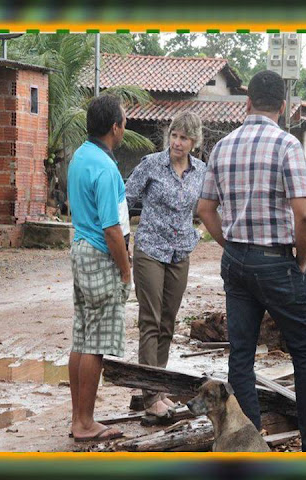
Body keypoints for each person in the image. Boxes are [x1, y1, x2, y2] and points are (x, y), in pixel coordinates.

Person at [198, 70, 306, 452]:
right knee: (304, 351)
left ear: (247, 102)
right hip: (278, 262)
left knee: (242, 358)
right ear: (282, 108)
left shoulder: (223, 147)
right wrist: (300, 262)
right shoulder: (287, 146)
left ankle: (249, 447)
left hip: (237, 262)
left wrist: (230, 244)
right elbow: (303, 216)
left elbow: (205, 209)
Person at [126, 112, 206, 418]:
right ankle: (151, 395)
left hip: (179, 253)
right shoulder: (151, 164)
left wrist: (202, 234)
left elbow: (210, 206)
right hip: (150, 249)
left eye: (184, 137)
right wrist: (122, 240)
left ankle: (156, 386)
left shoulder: (201, 172)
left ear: (194, 142)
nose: (177, 142)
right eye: (174, 135)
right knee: (151, 319)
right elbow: (126, 198)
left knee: (168, 322)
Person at [66, 94, 131, 442]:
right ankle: (86, 422)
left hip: (79, 248)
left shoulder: (80, 156)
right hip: (99, 253)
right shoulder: (105, 167)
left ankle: (78, 417)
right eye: (123, 121)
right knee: (95, 343)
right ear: (114, 127)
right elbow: (111, 228)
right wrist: (125, 271)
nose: (124, 128)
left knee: (81, 336)